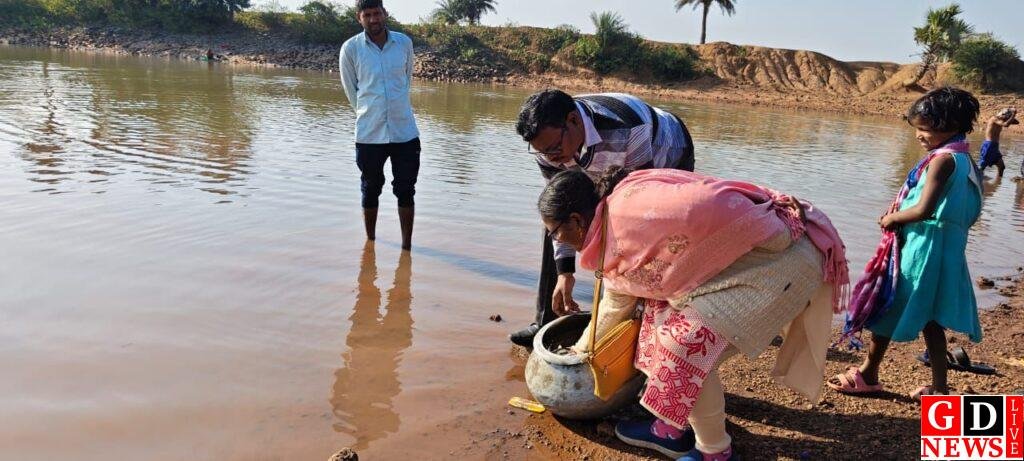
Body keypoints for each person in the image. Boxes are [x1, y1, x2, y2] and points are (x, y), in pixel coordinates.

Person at [538, 166, 849, 460]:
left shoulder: (627, 218)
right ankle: (670, 427)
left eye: (554, 233)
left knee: (682, 349)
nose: (557, 241)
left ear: (577, 221)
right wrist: (582, 349)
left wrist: (777, 224)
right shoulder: (614, 216)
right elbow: (619, 302)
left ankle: (715, 451)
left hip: (781, 260)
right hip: (746, 262)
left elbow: (709, 201)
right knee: (654, 320)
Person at [829, 87, 983, 400]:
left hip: (923, 250)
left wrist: (894, 219)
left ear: (948, 126)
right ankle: (940, 390)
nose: (919, 136)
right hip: (946, 250)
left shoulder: (943, 161)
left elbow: (925, 209)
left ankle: (869, 373)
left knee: (889, 304)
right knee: (931, 320)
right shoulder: (967, 160)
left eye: (924, 129)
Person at [509, 89, 696, 347]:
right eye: (542, 152)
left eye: (554, 149)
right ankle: (546, 321)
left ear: (573, 121)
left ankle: (640, 325)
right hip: (601, 159)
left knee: (639, 231)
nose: (551, 158)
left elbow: (640, 207)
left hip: (668, 152)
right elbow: (557, 212)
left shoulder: (628, 127)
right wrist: (565, 272)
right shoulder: (549, 149)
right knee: (556, 220)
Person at [339, 0, 420, 250]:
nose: (374, 19)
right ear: (359, 18)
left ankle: (407, 246)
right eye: (368, 15)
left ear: (385, 14)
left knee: (406, 190)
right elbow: (351, 91)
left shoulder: (404, 43)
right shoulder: (350, 49)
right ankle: (370, 244)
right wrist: (368, 113)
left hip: (404, 132)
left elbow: (405, 81)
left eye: (377, 13)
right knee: (370, 188)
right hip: (369, 134)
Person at [978, 107, 1018, 176]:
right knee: (982, 166)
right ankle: (975, 179)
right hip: (989, 145)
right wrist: (1013, 114)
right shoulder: (994, 119)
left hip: (994, 146)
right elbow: (1006, 125)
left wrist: (1011, 115)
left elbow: (1017, 122)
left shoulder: (1001, 120)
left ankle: (998, 181)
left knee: (1002, 167)